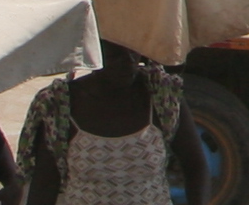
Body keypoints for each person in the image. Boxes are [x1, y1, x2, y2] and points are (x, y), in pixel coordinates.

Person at [16, 49, 197, 205]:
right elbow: (45, 184)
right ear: (94, 55)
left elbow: (195, 165)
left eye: (132, 52)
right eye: (115, 55)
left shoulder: (162, 96)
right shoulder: (60, 105)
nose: (128, 62)